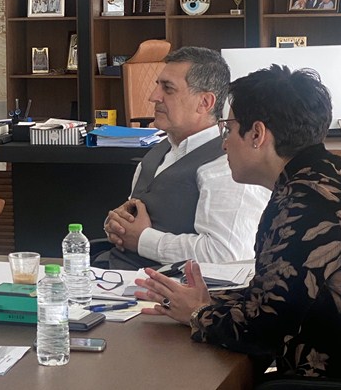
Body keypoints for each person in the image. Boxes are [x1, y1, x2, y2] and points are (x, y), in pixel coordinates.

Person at [135, 66, 341, 382]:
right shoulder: (340, 172)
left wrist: (198, 314)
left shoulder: (302, 205)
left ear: (257, 134)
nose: (224, 144)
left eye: (228, 129)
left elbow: (263, 331)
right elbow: (277, 295)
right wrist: (208, 300)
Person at [100, 47, 270, 269]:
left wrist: (143, 240)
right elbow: (136, 217)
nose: (153, 97)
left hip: (162, 287)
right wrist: (116, 225)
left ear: (205, 102)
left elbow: (226, 254)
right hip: (114, 274)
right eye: (157, 86)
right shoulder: (160, 150)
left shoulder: (227, 166)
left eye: (168, 89)